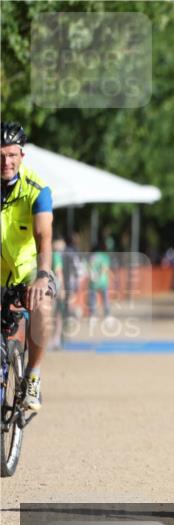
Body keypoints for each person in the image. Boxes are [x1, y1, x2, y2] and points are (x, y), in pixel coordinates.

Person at [1, 122, 56, 412]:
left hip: (28, 272)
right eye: (0, 155)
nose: (6, 162)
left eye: (11, 155)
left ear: (21, 156)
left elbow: (43, 236)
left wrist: (42, 276)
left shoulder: (37, 189)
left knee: (43, 306)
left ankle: (33, 376)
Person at [87, 239, 112, 320]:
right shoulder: (104, 256)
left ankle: (92, 315)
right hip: (103, 281)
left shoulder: (92, 256)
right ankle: (107, 315)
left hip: (93, 281)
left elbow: (88, 267)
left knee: (92, 299)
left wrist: (93, 277)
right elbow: (105, 268)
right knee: (105, 299)